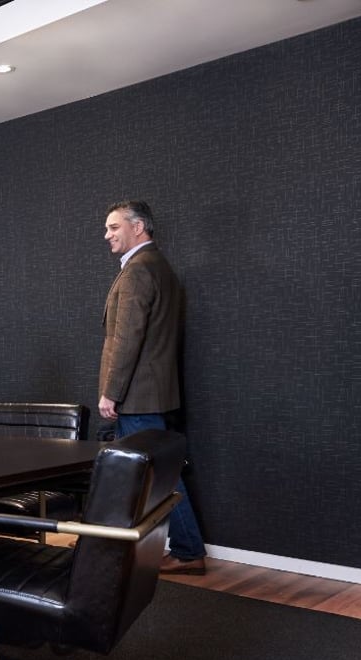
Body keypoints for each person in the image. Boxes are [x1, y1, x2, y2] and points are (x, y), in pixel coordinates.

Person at [99, 200, 207, 575]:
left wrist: (111, 392)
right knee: (158, 472)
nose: (107, 234)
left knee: (159, 474)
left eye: (115, 227)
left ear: (138, 227)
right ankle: (181, 548)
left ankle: (189, 551)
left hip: (138, 396)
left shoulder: (138, 272)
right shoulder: (160, 267)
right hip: (154, 393)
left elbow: (127, 339)